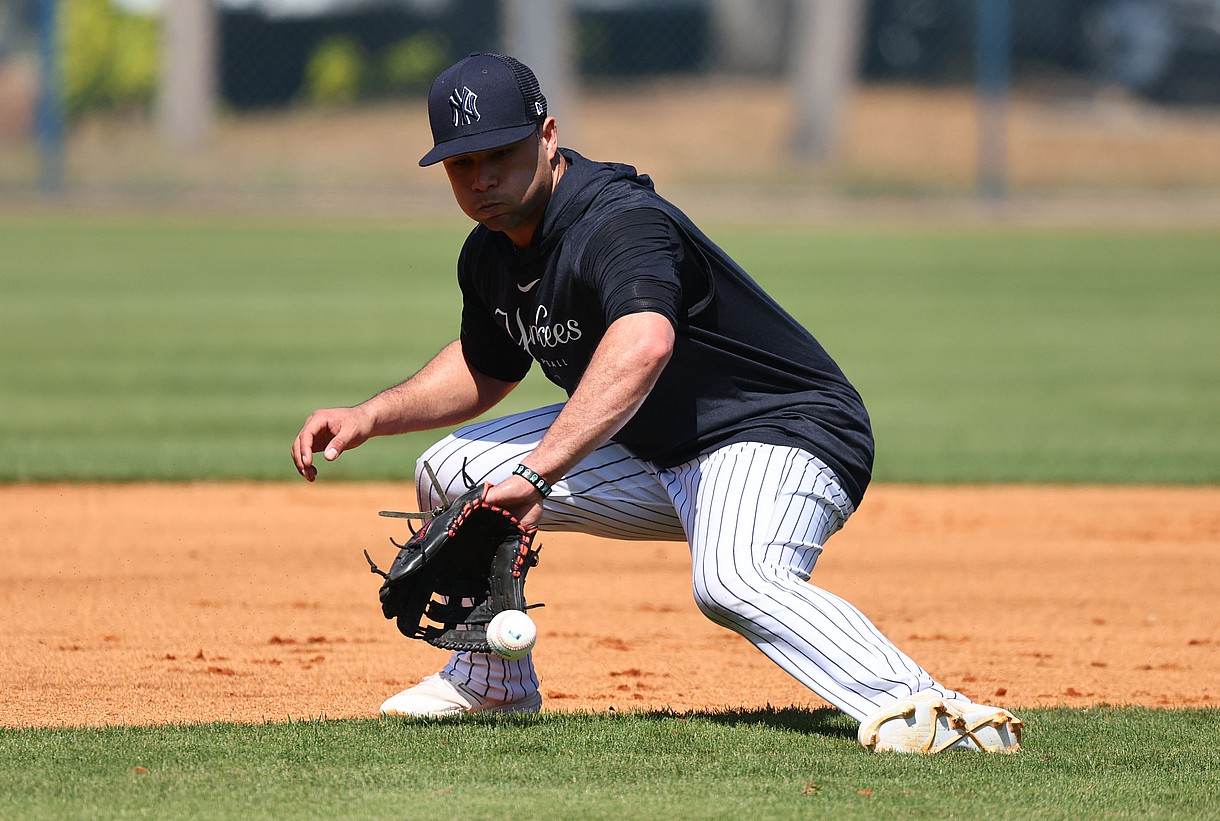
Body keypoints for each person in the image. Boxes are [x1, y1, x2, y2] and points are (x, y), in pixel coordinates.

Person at [290, 53, 1023, 753]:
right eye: (462, 163)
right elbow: (487, 365)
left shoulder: (618, 220)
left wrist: (539, 474)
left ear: (548, 138)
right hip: (655, 445)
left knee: (733, 579)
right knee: (450, 472)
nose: (481, 178)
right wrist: (371, 414)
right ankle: (492, 683)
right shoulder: (489, 251)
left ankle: (934, 710)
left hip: (780, 430)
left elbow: (643, 346)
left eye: (500, 154)